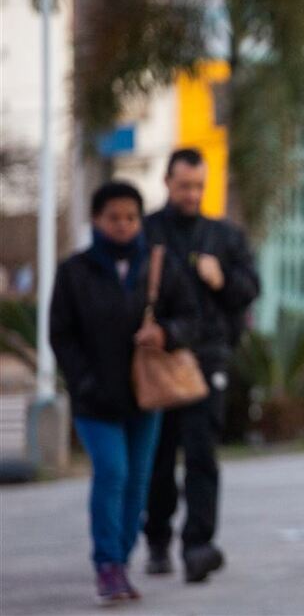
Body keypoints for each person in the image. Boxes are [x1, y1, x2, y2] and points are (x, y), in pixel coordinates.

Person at [50, 182, 198, 604]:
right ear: (97, 219)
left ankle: (122, 559)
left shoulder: (157, 265)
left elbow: (191, 318)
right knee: (112, 473)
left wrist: (166, 332)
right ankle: (107, 564)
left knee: (138, 481)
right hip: (94, 400)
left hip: (144, 396)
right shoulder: (74, 272)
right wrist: (82, 382)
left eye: (131, 217)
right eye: (113, 217)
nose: (123, 225)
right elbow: (61, 335)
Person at [143, 148, 260, 583]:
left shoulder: (224, 236)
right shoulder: (148, 231)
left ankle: (197, 545)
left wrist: (222, 279)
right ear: (167, 181)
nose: (191, 193)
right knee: (157, 455)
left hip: (208, 358)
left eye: (198, 185)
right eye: (183, 185)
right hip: (160, 361)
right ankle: (156, 538)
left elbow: (251, 288)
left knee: (201, 455)